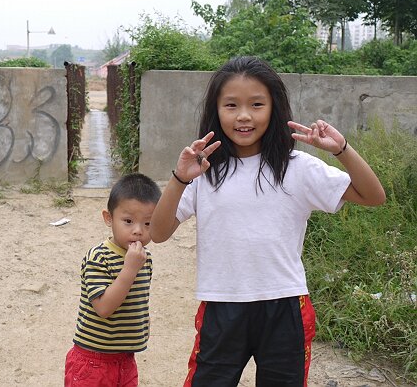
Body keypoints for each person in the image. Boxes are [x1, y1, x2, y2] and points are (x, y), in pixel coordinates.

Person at [150, 56, 386, 387]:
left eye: (256, 104)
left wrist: (341, 149)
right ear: (215, 111)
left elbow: (373, 196)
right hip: (221, 305)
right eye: (231, 105)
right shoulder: (204, 172)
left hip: (285, 305)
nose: (244, 115)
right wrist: (178, 179)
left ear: (274, 108)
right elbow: (158, 233)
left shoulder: (298, 167)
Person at [65, 173, 162, 387]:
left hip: (126, 359)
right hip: (93, 361)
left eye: (148, 223)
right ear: (108, 218)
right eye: (128, 221)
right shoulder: (98, 257)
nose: (138, 231)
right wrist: (129, 269)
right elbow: (104, 308)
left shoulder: (145, 258)